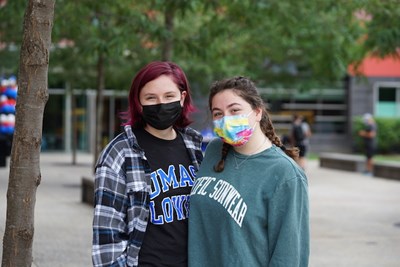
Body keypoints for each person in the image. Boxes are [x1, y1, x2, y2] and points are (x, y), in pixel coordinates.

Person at [188, 76, 309, 266]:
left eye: (235, 110)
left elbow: (289, 255)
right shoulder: (214, 150)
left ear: (257, 112)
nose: (226, 118)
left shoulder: (285, 174)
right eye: (218, 113)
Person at [92, 61, 203, 267]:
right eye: (151, 98)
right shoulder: (119, 153)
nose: (161, 104)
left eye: (169, 96)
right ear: (139, 103)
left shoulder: (194, 146)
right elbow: (107, 239)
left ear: (183, 97)